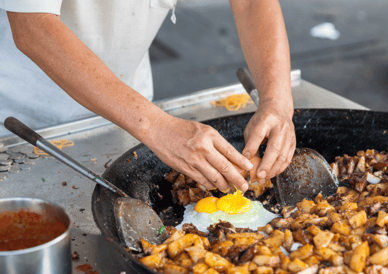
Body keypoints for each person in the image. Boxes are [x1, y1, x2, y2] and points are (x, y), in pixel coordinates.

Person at [0, 0, 296, 193]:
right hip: (22, 113)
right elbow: (33, 26)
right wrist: (156, 126)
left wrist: (277, 101)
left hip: (128, 103)